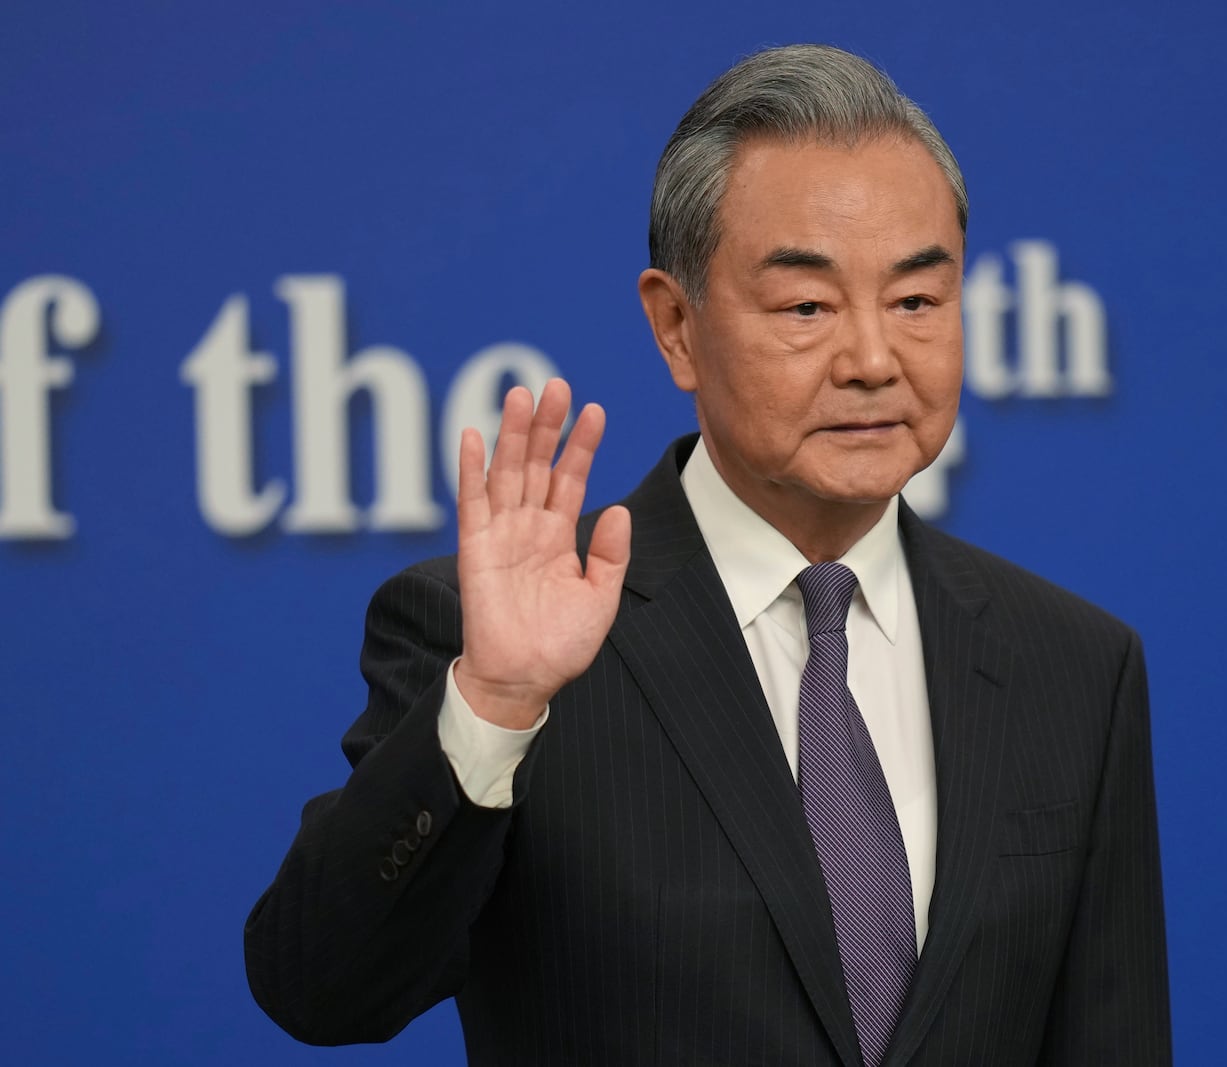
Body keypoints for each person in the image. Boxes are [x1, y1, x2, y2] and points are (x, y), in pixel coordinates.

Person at [245, 43, 1170, 1066]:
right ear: (675, 324)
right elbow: (317, 987)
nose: (872, 359)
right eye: (806, 307)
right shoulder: (505, 642)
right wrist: (495, 704)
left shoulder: (1073, 666)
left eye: (916, 300)